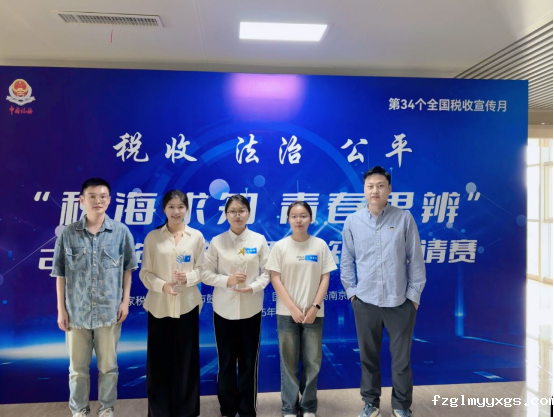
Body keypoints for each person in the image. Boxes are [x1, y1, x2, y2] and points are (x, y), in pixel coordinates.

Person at [340, 166, 426, 417]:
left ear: (389, 189)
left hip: (400, 302)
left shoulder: (404, 218)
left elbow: (415, 260)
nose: (375, 190)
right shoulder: (353, 221)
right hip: (365, 302)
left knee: (401, 360)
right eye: (370, 186)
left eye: (380, 185)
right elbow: (347, 261)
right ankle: (371, 403)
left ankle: (401, 405)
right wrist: (353, 294)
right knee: (368, 358)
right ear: (364, 190)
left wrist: (413, 298)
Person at [51, 178, 138, 417]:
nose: (98, 201)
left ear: (109, 200)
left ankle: (106, 408)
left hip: (109, 312)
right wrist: (61, 309)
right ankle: (79, 410)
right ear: (82, 200)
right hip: (76, 312)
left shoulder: (121, 232)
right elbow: (60, 274)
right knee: (77, 369)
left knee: (108, 367)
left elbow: (128, 270)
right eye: (92, 196)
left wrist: (125, 301)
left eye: (102, 196)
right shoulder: (68, 233)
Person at [266, 201, 337, 417]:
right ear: (288, 219)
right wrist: (292, 308)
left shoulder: (320, 245)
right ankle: (289, 407)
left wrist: (315, 306)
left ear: (311, 219)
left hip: (314, 314)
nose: (299, 220)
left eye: (303, 216)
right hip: (287, 314)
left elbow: (325, 278)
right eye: (294, 216)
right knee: (288, 362)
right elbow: (275, 279)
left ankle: (308, 407)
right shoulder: (280, 246)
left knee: (312, 362)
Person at [202, 194, 270, 417]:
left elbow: (268, 272)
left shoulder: (259, 240)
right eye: (232, 211)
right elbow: (205, 274)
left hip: (251, 309)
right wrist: (227, 280)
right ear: (226, 215)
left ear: (248, 213)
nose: (237, 215)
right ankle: (228, 409)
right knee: (227, 362)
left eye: (241, 211)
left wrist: (254, 287)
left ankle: (247, 409)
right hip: (224, 310)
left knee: (249, 362)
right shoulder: (217, 241)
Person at [139, 190, 205, 417]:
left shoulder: (196, 236)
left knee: (187, 362)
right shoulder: (153, 238)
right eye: (171, 207)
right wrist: (163, 285)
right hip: (159, 307)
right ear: (164, 209)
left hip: (187, 306)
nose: (176, 211)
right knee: (158, 363)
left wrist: (189, 277)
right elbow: (145, 273)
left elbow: (203, 269)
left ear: (187, 209)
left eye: (180, 207)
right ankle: (159, 412)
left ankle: (187, 411)